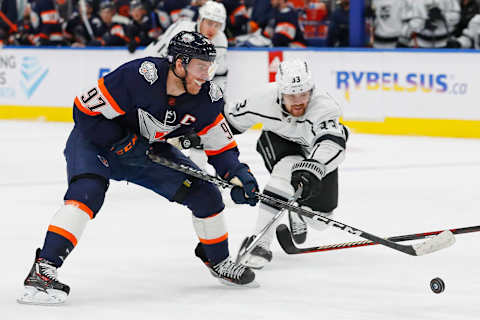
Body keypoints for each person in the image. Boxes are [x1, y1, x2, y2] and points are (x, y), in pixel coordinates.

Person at [17, 31, 260, 306]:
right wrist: (118, 141)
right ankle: (43, 269)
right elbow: (84, 110)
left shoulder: (208, 98)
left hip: (144, 149)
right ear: (179, 64)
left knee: (206, 195)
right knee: (87, 193)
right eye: (200, 67)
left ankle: (218, 260)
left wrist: (238, 174)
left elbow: (221, 146)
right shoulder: (138, 76)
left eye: (210, 67)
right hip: (95, 141)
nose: (206, 75)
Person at [223, 59, 349, 269]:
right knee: (286, 169)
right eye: (291, 95)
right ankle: (259, 243)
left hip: (314, 155)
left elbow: (332, 143)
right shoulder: (262, 98)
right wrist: (201, 136)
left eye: (303, 93)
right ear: (280, 93)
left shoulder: (325, 107)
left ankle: (297, 210)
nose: (298, 100)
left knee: (320, 221)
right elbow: (228, 122)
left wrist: (314, 166)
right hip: (278, 141)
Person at [143, 0, 228, 94]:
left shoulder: (220, 40)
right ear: (200, 19)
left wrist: (218, 96)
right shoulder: (182, 30)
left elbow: (219, 73)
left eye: (217, 25)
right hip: (150, 66)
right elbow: (160, 57)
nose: (213, 29)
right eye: (210, 23)